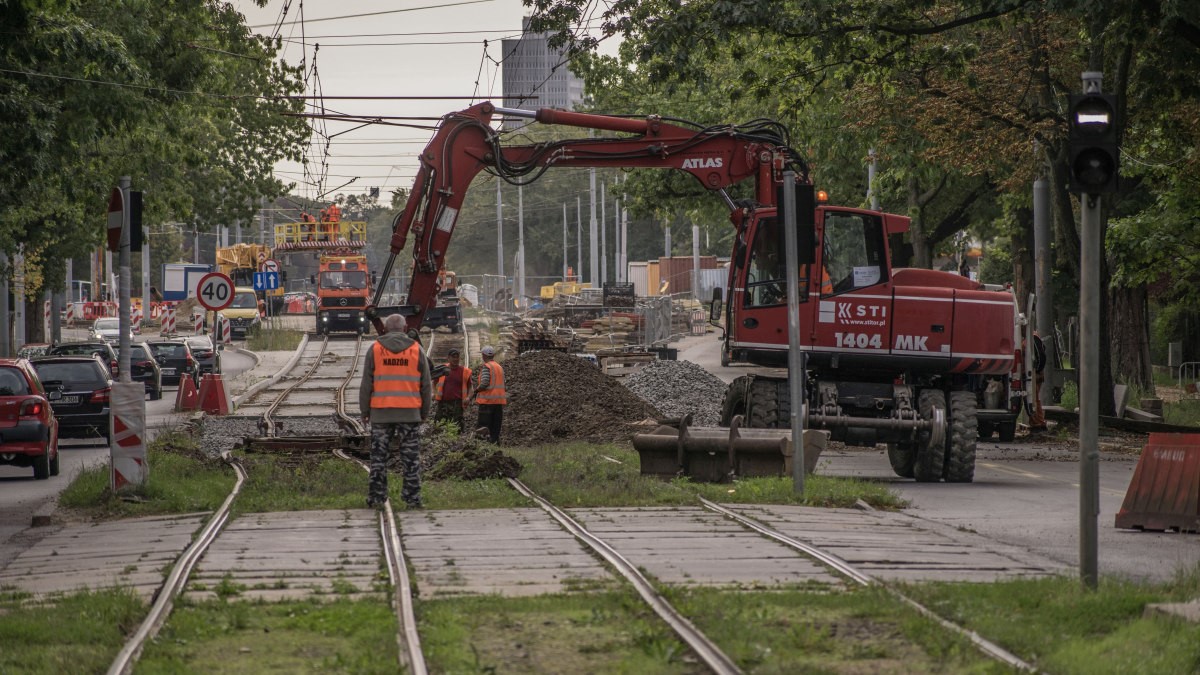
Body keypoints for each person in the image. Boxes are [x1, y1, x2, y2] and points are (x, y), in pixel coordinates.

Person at [359, 314, 432, 509]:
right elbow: (426, 385)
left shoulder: (375, 349)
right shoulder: (416, 350)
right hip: (409, 414)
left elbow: (366, 383)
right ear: (405, 327)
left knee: (378, 458)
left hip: (381, 414)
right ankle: (413, 499)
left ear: (385, 328)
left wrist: (364, 410)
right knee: (411, 459)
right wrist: (424, 411)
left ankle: (376, 497)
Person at [470, 345, 506, 443]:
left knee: (483, 427)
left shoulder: (487, 366)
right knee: (495, 427)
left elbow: (484, 383)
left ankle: (482, 445)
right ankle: (494, 443)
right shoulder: (499, 367)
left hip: (487, 402)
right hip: (498, 402)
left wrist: (476, 391)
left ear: (484, 355)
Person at [433, 348, 471, 430]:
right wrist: (434, 392)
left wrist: (468, 397)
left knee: (457, 427)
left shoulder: (465, 371)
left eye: (457, 357)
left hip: (457, 404)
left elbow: (470, 387)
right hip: (443, 403)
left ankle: (456, 441)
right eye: (453, 357)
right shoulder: (442, 369)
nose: (455, 359)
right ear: (448, 358)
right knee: (439, 425)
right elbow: (434, 382)